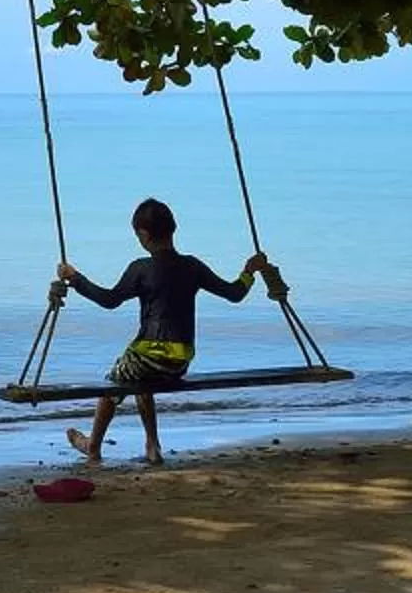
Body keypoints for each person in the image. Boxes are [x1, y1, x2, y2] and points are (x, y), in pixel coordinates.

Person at [52, 197, 282, 466]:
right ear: (173, 229)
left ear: (143, 234)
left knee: (115, 381)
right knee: (139, 372)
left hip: (149, 360)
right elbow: (234, 293)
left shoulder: (141, 268)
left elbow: (109, 300)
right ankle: (153, 446)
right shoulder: (192, 266)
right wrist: (249, 271)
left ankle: (92, 447)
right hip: (179, 362)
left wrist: (75, 278)